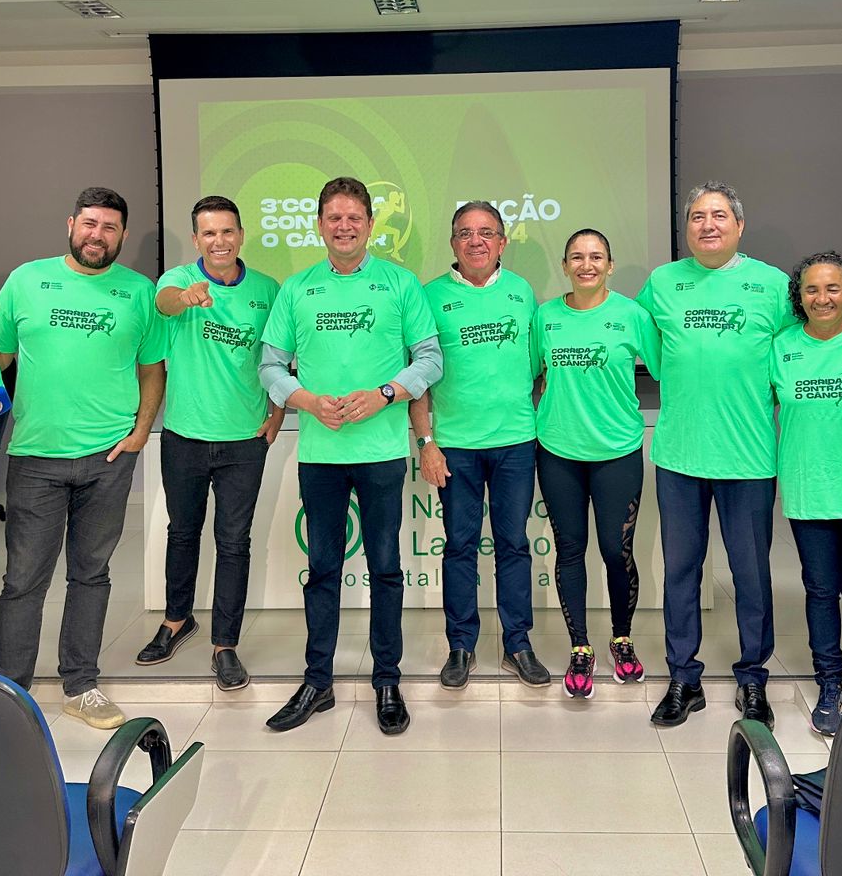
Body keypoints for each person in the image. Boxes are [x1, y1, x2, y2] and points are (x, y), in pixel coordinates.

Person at [258, 177, 442, 735]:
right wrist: (308, 401)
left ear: (369, 223)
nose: (344, 226)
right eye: (334, 218)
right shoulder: (296, 289)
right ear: (319, 225)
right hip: (320, 453)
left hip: (383, 451)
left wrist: (385, 393)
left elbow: (430, 359)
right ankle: (318, 683)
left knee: (386, 569)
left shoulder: (400, 283)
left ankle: (387, 679)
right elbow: (270, 367)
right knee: (323, 570)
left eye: (354, 217)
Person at [0, 187, 169, 729]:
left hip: (109, 458)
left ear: (123, 236)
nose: (98, 235)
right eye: (90, 223)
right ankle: (9, 692)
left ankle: (81, 683)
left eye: (110, 227)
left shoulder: (140, 292)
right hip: (37, 456)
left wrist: (141, 432)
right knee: (24, 577)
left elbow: (153, 368)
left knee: (91, 573)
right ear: (70, 224)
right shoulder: (26, 280)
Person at [637, 183, 791, 729]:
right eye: (697, 217)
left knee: (751, 574)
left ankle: (753, 678)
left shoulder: (773, 285)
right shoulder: (663, 283)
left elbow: (799, 355)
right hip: (680, 454)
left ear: (740, 226)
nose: (707, 225)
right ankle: (684, 676)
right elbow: (654, 355)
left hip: (748, 457)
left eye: (719, 216)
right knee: (681, 571)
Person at [135, 195, 284, 691]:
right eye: (208, 234)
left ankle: (226, 645)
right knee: (182, 533)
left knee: (233, 542)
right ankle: (177, 621)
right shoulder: (177, 281)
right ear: (197, 239)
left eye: (227, 232)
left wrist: (277, 413)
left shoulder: (268, 290)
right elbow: (163, 304)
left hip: (245, 441)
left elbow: (281, 358)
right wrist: (188, 297)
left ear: (241, 235)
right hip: (185, 437)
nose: (219, 241)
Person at [410, 201, 549, 689]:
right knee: (460, 546)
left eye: (486, 232)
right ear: (452, 243)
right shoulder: (428, 297)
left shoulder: (522, 293)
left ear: (502, 242)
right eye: (465, 233)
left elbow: (537, 369)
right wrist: (427, 441)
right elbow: (420, 380)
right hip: (456, 447)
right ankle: (461, 646)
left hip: (515, 443)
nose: (476, 241)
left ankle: (518, 644)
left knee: (514, 545)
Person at [533, 228, 660, 699]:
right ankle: (580, 647)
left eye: (596, 257)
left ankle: (622, 640)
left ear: (609, 264)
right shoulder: (545, 317)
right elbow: (530, 372)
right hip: (558, 451)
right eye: (577, 257)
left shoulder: (631, 315)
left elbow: (672, 367)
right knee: (569, 551)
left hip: (617, 451)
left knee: (614, 551)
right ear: (564, 266)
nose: (587, 265)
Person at [770, 252, 842, 736]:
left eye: (833, 288)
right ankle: (828, 684)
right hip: (807, 485)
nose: (822, 298)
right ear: (799, 297)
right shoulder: (780, 347)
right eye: (812, 290)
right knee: (820, 590)